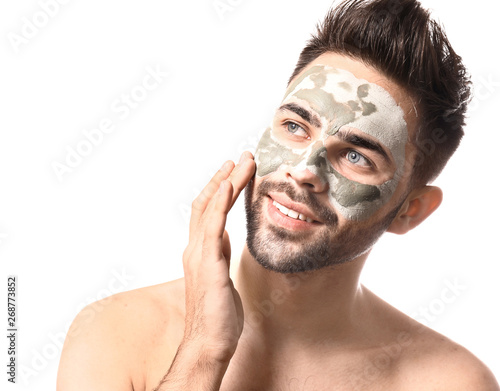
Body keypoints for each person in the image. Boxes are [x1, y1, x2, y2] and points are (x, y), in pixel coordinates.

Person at [57, 0, 499, 389]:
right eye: (294, 126)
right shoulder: (114, 335)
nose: (304, 170)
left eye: (357, 157)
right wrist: (204, 351)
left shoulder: (450, 382)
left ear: (411, 210)